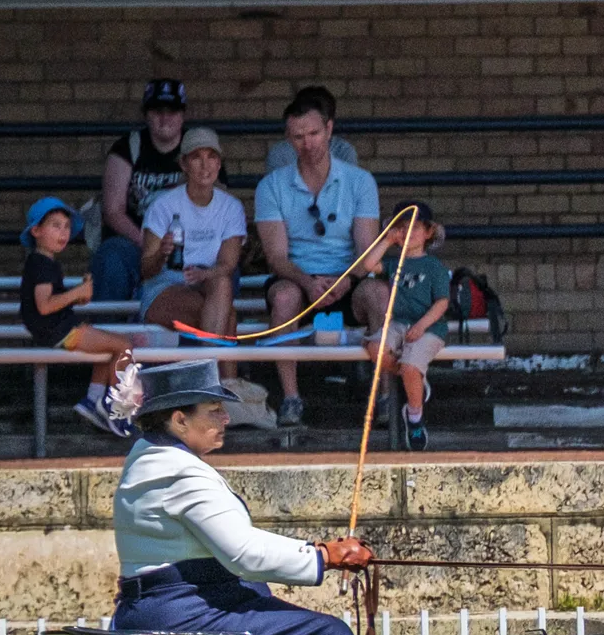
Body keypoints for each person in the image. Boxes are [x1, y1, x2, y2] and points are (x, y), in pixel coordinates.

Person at [108, 359, 469, 635]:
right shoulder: (179, 471)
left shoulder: (151, 457)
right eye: (213, 411)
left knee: (288, 623)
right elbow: (244, 553)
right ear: (179, 419)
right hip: (178, 617)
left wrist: (317, 550)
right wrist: (325, 555)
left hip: (165, 611)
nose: (225, 418)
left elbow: (234, 552)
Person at [254, 89, 383, 428]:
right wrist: (307, 282)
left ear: (329, 130)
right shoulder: (271, 186)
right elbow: (276, 256)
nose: (307, 143)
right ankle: (292, 398)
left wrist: (346, 280)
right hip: (297, 278)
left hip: (347, 279)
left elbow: (367, 251)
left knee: (381, 295)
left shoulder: (360, 181)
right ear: (288, 139)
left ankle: (383, 394)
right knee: (283, 297)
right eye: (298, 137)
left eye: (313, 134)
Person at [18, 196, 139, 436]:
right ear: (36, 231)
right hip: (59, 332)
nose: (63, 232)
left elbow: (53, 301)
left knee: (109, 347)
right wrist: (77, 293)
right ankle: (118, 411)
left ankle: (92, 400)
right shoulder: (42, 265)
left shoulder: (45, 263)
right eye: (55, 226)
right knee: (123, 347)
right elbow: (44, 306)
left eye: (66, 227)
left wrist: (78, 296)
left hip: (59, 328)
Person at [138, 127, 244, 362]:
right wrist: (161, 255)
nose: (205, 165)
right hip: (164, 289)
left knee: (221, 283)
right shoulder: (163, 205)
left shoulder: (231, 207)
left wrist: (203, 274)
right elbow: (146, 269)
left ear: (219, 164)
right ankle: (222, 388)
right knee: (227, 317)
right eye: (196, 157)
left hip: (208, 284)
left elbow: (228, 263)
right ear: (184, 164)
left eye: (211, 157)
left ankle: (210, 388)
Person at [363, 200, 449, 452]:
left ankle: (414, 417)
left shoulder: (433, 267)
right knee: (375, 348)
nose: (408, 233)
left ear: (429, 232)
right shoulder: (392, 264)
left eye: (415, 228)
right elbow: (368, 265)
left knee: (411, 366)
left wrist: (422, 326)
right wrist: (388, 240)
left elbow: (442, 302)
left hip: (428, 327)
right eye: (402, 228)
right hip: (397, 324)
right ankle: (416, 385)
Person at [92, 79, 188, 304]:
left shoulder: (199, 150)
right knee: (111, 256)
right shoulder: (127, 147)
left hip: (187, 246)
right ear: (146, 114)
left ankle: (203, 338)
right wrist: (150, 244)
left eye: (172, 111)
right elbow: (113, 211)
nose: (165, 118)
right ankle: (105, 334)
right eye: (157, 111)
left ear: (183, 115)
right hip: (134, 243)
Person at [263, 85, 361, 172]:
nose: (308, 144)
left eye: (314, 132)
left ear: (328, 126)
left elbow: (349, 190)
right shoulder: (280, 153)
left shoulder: (344, 151)